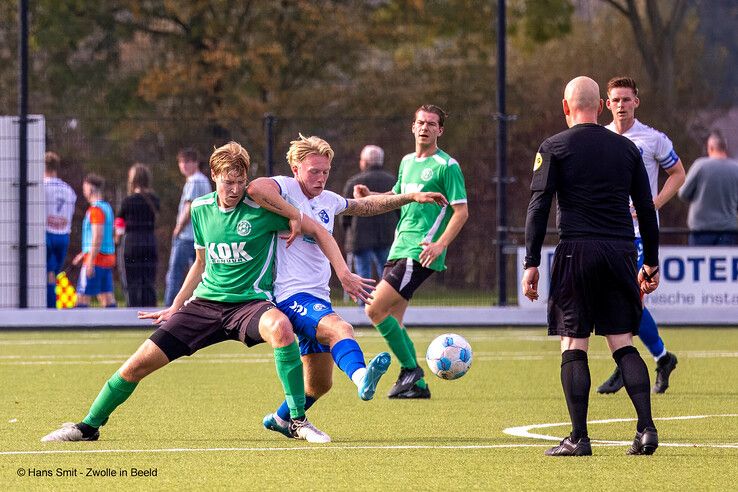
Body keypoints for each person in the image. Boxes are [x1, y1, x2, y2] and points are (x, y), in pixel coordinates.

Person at [41, 141, 373, 444]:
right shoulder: (200, 209)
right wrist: (175, 304)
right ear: (214, 176)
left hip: (250, 305)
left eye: (241, 183)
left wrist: (335, 263)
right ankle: (88, 426)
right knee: (136, 365)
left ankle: (296, 421)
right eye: (228, 182)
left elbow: (317, 229)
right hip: (204, 305)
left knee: (281, 328)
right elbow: (200, 260)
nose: (235, 190)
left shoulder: (265, 211)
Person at [248, 135, 447, 440]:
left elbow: (366, 206)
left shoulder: (327, 199)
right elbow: (255, 188)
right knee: (341, 329)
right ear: (295, 167)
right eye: (313, 171)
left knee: (319, 384)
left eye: (325, 171)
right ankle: (361, 377)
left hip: (317, 297)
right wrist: (294, 216)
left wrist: (409, 197)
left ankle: (279, 418)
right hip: (290, 295)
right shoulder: (285, 188)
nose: (320, 177)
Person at [522, 76, 661, 457]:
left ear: (566, 107)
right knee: (622, 341)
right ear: (600, 106)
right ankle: (646, 429)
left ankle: (579, 437)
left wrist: (531, 262)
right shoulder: (627, 149)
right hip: (620, 253)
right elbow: (646, 210)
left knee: (573, 342)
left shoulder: (553, 147)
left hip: (575, 252)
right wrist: (650, 261)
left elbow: (538, 207)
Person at [356, 104, 469, 400]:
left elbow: (461, 212)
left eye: (431, 124)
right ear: (412, 126)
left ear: (440, 130)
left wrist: (440, 244)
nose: (425, 128)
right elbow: (398, 195)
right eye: (420, 122)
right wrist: (372, 196)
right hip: (399, 246)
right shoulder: (407, 161)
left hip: (420, 251)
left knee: (373, 308)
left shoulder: (447, 166)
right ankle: (416, 385)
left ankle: (411, 371)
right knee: (393, 316)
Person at [597, 76, 683, 395]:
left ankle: (628, 363)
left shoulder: (652, 139)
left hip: (638, 234)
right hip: (607, 231)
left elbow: (678, 173)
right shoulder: (601, 137)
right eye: (615, 100)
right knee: (622, 302)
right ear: (607, 104)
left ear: (637, 102)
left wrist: (652, 203)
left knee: (630, 300)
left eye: (626, 99)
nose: (621, 105)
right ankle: (662, 357)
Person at [342, 145, 398, 285]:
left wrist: (348, 232)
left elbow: (345, 213)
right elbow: (400, 210)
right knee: (387, 275)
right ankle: (385, 303)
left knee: (363, 276)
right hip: (386, 235)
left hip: (360, 237)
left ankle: (365, 304)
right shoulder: (392, 182)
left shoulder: (354, 183)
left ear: (364, 162)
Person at [164, 148, 212, 306]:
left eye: (186, 162)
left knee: (175, 273)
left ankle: (169, 306)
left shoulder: (194, 180)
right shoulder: (203, 180)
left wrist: (178, 227)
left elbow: (189, 206)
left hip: (186, 236)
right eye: (180, 162)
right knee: (200, 274)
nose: (183, 166)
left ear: (195, 163)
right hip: (200, 235)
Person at [678, 131, 738, 245]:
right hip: (728, 231)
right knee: (723, 262)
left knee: (699, 261)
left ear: (710, 147)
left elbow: (683, 193)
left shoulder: (700, 166)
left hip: (701, 229)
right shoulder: (736, 169)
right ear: (724, 148)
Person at [116, 163, 160, 307]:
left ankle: (132, 314)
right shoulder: (154, 199)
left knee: (131, 281)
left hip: (131, 242)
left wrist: (117, 240)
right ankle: (150, 312)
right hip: (149, 241)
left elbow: (120, 224)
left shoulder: (127, 201)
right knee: (148, 281)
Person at [71, 174, 116, 308]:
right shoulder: (107, 208)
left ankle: (78, 327)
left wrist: (90, 259)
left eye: (85, 188)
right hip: (107, 258)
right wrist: (83, 253)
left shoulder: (95, 210)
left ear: (90, 189)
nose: (84, 192)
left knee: (82, 297)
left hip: (96, 259)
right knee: (107, 297)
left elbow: (97, 236)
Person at [43, 151, 77, 308]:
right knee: (54, 275)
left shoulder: (42, 187)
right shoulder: (69, 190)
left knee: (48, 275)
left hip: (47, 234)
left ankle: (50, 310)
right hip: (63, 235)